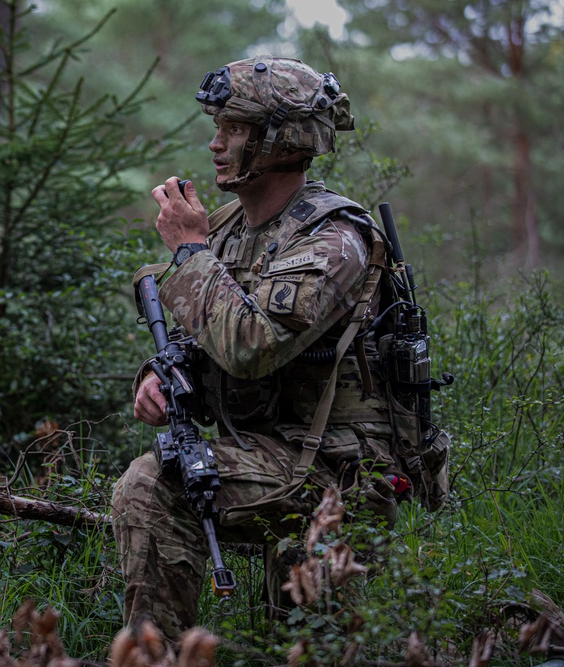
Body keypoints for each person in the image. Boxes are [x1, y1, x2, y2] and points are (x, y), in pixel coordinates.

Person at [111, 55, 406, 641]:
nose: (216, 143)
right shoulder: (225, 229)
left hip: (340, 469)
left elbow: (251, 346)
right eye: (217, 127)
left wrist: (191, 253)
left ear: (282, 141)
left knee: (305, 644)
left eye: (234, 129)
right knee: (289, 635)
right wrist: (160, 377)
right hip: (266, 452)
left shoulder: (335, 240)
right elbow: (205, 339)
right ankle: (152, 655)